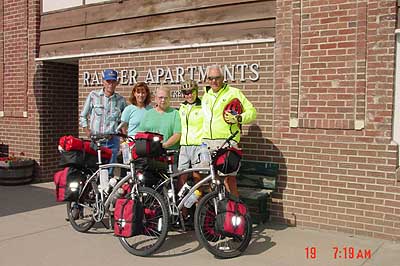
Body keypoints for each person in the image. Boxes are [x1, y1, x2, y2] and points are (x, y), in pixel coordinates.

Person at [201, 65, 257, 197]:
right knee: (209, 181)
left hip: (226, 142)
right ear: (207, 79)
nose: (214, 81)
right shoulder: (206, 96)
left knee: (228, 180)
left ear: (223, 78)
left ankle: (234, 212)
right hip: (207, 143)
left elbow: (252, 112)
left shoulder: (234, 93)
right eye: (210, 78)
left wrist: (239, 118)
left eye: (217, 78)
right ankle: (214, 213)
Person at [79, 69, 127, 167]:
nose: (111, 84)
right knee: (95, 168)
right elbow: (83, 116)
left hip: (113, 141)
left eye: (113, 81)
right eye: (108, 81)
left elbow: (124, 121)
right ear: (103, 81)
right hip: (97, 140)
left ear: (117, 82)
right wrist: (87, 131)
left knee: (110, 170)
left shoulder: (121, 100)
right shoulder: (93, 96)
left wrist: (124, 137)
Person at [177, 79, 204, 222]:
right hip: (184, 146)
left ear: (196, 91)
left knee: (197, 180)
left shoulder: (203, 106)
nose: (189, 95)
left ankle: (199, 214)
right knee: (181, 179)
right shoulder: (182, 108)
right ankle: (183, 213)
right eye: (185, 93)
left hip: (198, 146)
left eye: (191, 92)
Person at [137, 86, 181, 151]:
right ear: (155, 99)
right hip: (150, 152)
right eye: (160, 98)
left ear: (170, 99)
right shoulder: (148, 114)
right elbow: (141, 134)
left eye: (166, 98)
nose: (163, 100)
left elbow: (177, 134)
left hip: (169, 152)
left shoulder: (175, 114)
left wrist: (163, 146)